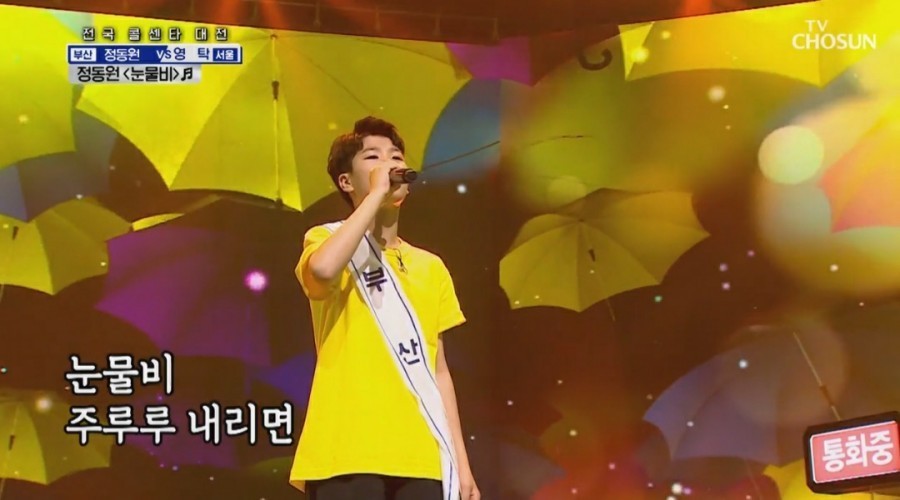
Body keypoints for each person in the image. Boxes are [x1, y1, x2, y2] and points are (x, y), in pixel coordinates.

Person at [289, 116, 480, 500]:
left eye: (395, 156)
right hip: (346, 452)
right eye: (373, 157)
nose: (390, 164)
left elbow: (438, 371)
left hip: (423, 457)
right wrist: (375, 195)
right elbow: (322, 272)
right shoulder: (325, 239)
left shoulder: (431, 266)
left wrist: (461, 462)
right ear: (346, 182)